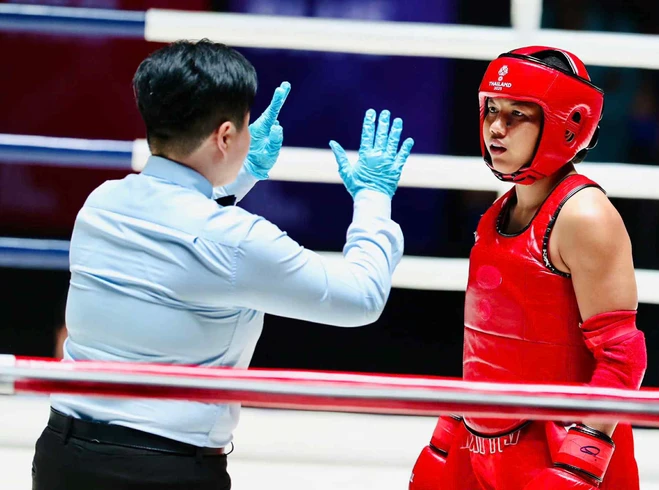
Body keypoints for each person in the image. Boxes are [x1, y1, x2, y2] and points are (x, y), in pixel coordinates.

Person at [32, 39, 414, 490]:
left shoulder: (101, 204)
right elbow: (361, 297)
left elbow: (184, 235)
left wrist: (242, 173)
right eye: (246, 127)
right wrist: (373, 198)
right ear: (226, 136)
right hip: (161, 472)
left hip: (61, 457)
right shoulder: (238, 240)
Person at [409, 46, 647, 489]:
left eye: (518, 114)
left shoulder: (584, 216)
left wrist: (580, 461)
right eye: (492, 109)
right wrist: (447, 436)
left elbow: (623, 356)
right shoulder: (496, 213)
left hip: (559, 450)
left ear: (567, 125)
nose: (496, 127)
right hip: (483, 447)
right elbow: (486, 350)